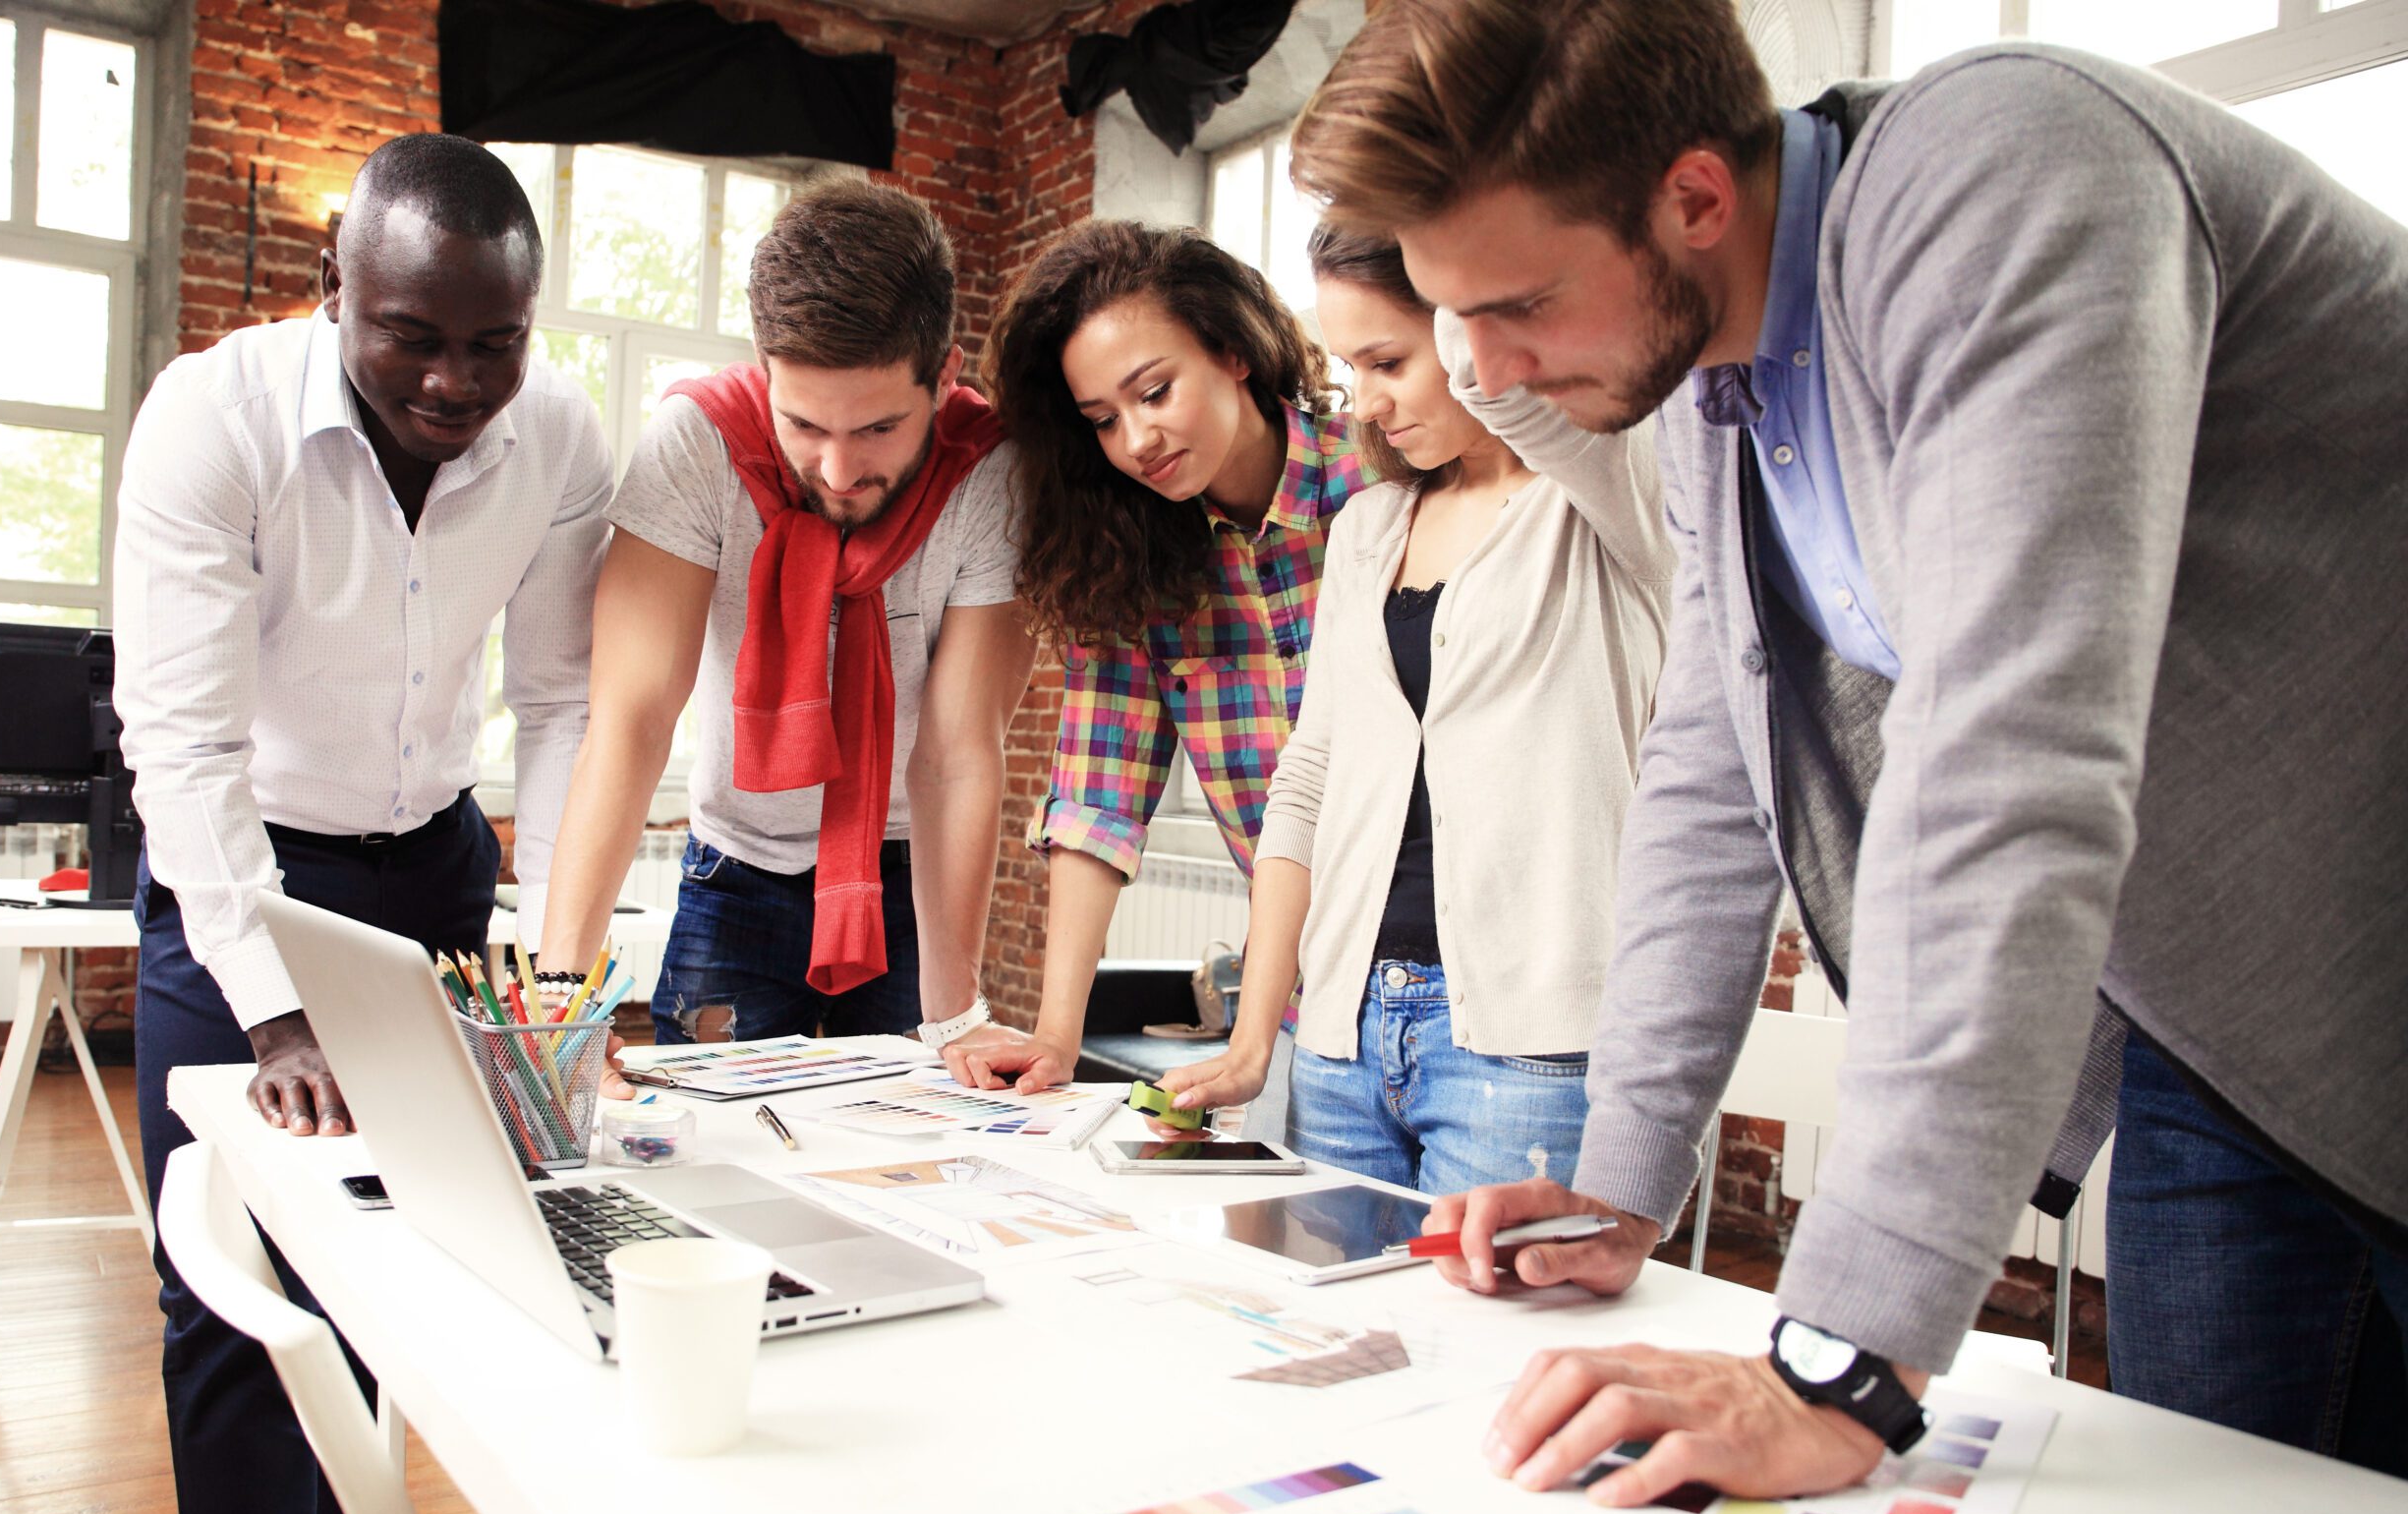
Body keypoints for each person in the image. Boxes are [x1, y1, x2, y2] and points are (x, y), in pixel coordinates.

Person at [1292, 0, 2408, 1503]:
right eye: (1449, 315)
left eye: (1523, 302)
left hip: (2370, 927)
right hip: (2223, 1024)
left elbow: (2011, 768)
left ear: (1692, 197)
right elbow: (1706, 775)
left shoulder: (2008, 175)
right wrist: (1621, 1178)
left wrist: (1845, 1358)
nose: (1480, 368)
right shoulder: (1710, 390)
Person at [114, 135, 610, 1514]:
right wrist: (272, 1012)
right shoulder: (216, 420)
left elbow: (565, 707)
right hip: (246, 875)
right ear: (335, 283)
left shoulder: (564, 442)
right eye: (414, 335)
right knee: (238, 1282)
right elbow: (184, 744)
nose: (457, 384)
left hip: (437, 871)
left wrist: (554, 951)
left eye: (494, 345)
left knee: (423, 1257)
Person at [1151, 225, 1673, 1193]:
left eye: (1388, 359)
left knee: (1494, 1345)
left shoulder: (1610, 500)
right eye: (1351, 367)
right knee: (1345, 1342)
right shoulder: (1368, 527)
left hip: (1530, 1053)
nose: (1368, 402)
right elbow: (1305, 786)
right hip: (1345, 1041)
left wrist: (1469, 249)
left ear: (1478, 323)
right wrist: (1254, 1035)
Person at [536, 182, 1030, 1049]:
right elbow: (633, 719)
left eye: (878, 428)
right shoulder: (698, 444)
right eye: (804, 424)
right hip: (736, 870)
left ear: (944, 375)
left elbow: (956, 756)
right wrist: (563, 994)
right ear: (765, 371)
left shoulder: (991, 471)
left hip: (912, 877)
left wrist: (956, 1016)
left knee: (910, 1161)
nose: (838, 470)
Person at [941, 221, 1369, 1099]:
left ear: (1233, 351)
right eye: (1103, 419)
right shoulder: (1127, 561)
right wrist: (1059, 1037)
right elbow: (1099, 798)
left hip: (1461, 971)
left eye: (1155, 391)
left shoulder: (1380, 482)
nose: (1136, 439)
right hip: (1300, 1002)